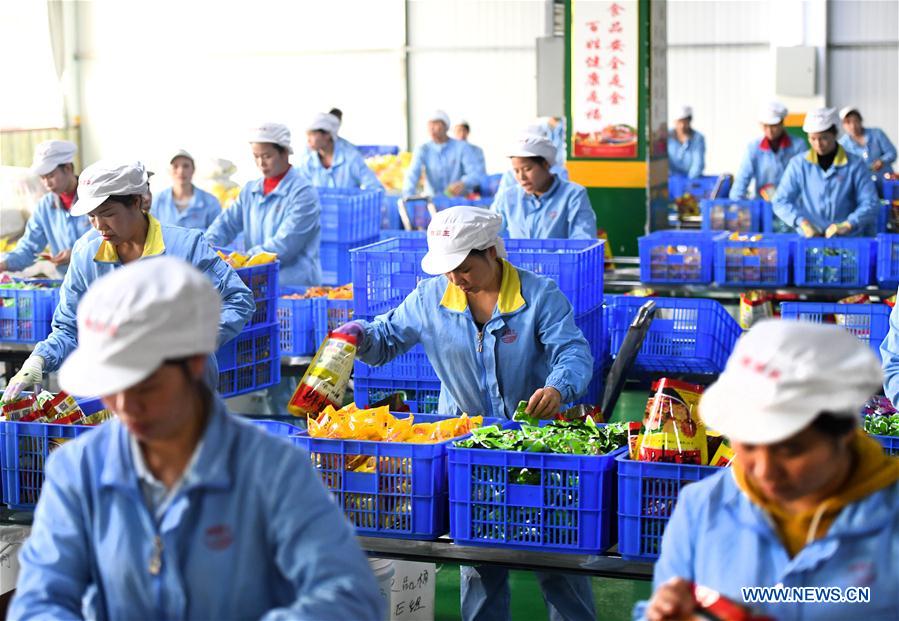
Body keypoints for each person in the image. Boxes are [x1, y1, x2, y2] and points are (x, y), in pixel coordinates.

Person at [9, 257, 384, 620]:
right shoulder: (78, 471)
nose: (125, 405)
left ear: (194, 363)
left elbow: (348, 596)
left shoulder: (272, 470)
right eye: (111, 386)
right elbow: (42, 597)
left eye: (145, 384)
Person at [338, 206, 596, 621]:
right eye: (448, 270)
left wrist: (558, 386)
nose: (456, 279)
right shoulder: (430, 297)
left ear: (491, 252)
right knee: (478, 557)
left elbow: (573, 351)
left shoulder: (539, 296)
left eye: (463, 267)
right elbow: (385, 340)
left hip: (534, 444)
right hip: (466, 446)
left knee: (556, 556)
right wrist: (358, 335)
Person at [638, 320, 899, 621]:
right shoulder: (701, 509)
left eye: (790, 450)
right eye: (748, 445)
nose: (764, 471)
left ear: (843, 436)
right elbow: (666, 603)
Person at [1, 160, 254, 403]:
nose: (99, 226)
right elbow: (70, 328)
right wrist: (40, 359)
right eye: (91, 216)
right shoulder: (86, 254)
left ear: (136, 202)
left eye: (108, 214)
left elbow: (239, 300)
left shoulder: (185, 247)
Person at [206, 122, 322, 287]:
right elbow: (226, 223)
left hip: (293, 287)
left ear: (285, 153)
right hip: (258, 283)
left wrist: (242, 259)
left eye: (267, 156)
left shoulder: (303, 193)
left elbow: (285, 245)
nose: (261, 163)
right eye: (256, 156)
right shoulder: (250, 191)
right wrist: (207, 245)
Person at [773, 107, 879, 238]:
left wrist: (848, 224)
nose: (818, 144)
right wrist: (802, 222)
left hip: (847, 240)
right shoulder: (798, 164)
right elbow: (780, 201)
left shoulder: (855, 164)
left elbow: (870, 202)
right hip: (811, 239)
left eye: (824, 138)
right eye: (812, 139)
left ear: (834, 134)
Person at [0, 140, 90, 275]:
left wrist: (77, 253)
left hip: (101, 281)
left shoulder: (93, 199)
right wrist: (3, 264)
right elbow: (29, 248)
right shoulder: (45, 207)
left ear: (68, 168)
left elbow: (110, 242)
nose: (47, 183)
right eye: (42, 178)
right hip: (68, 284)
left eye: (51, 176)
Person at [491, 134, 596, 240]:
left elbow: (583, 239)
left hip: (560, 257)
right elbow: (488, 233)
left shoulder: (573, 195)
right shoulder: (508, 197)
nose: (521, 177)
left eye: (527, 169)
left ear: (546, 165)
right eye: (516, 171)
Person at [730, 102, 808, 200]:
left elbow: (805, 179)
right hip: (764, 206)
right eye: (765, 126)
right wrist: (736, 203)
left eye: (773, 126)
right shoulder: (754, 148)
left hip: (792, 206)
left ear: (782, 123)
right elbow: (742, 179)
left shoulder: (798, 146)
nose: (769, 130)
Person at [402, 110, 485, 197]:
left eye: (436, 124)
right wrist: (407, 195)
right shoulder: (423, 149)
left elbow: (476, 173)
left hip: (457, 202)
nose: (432, 128)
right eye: (429, 124)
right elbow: (412, 174)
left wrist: (464, 183)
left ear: (446, 126)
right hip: (433, 203)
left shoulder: (461, 147)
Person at [299, 112, 383, 190]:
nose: (308, 140)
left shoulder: (351, 157)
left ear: (327, 135)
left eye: (312, 135)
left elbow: (375, 187)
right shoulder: (308, 159)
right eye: (307, 135)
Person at [150, 149, 222, 229]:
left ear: (193, 170)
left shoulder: (210, 202)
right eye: (175, 166)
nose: (181, 171)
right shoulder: (157, 201)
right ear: (169, 171)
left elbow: (218, 234)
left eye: (186, 166)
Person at [839, 106, 897, 196]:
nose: (853, 126)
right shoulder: (842, 144)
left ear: (860, 120)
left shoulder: (877, 134)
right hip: (863, 187)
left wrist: (882, 161)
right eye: (848, 122)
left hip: (886, 182)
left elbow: (892, 152)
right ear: (843, 125)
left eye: (855, 121)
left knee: (892, 207)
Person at [667, 105, 705, 179]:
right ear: (674, 122)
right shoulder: (667, 137)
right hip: (671, 181)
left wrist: (689, 182)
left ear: (690, 121)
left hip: (692, 180)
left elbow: (698, 163)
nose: (682, 126)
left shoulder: (698, 138)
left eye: (685, 122)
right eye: (679, 122)